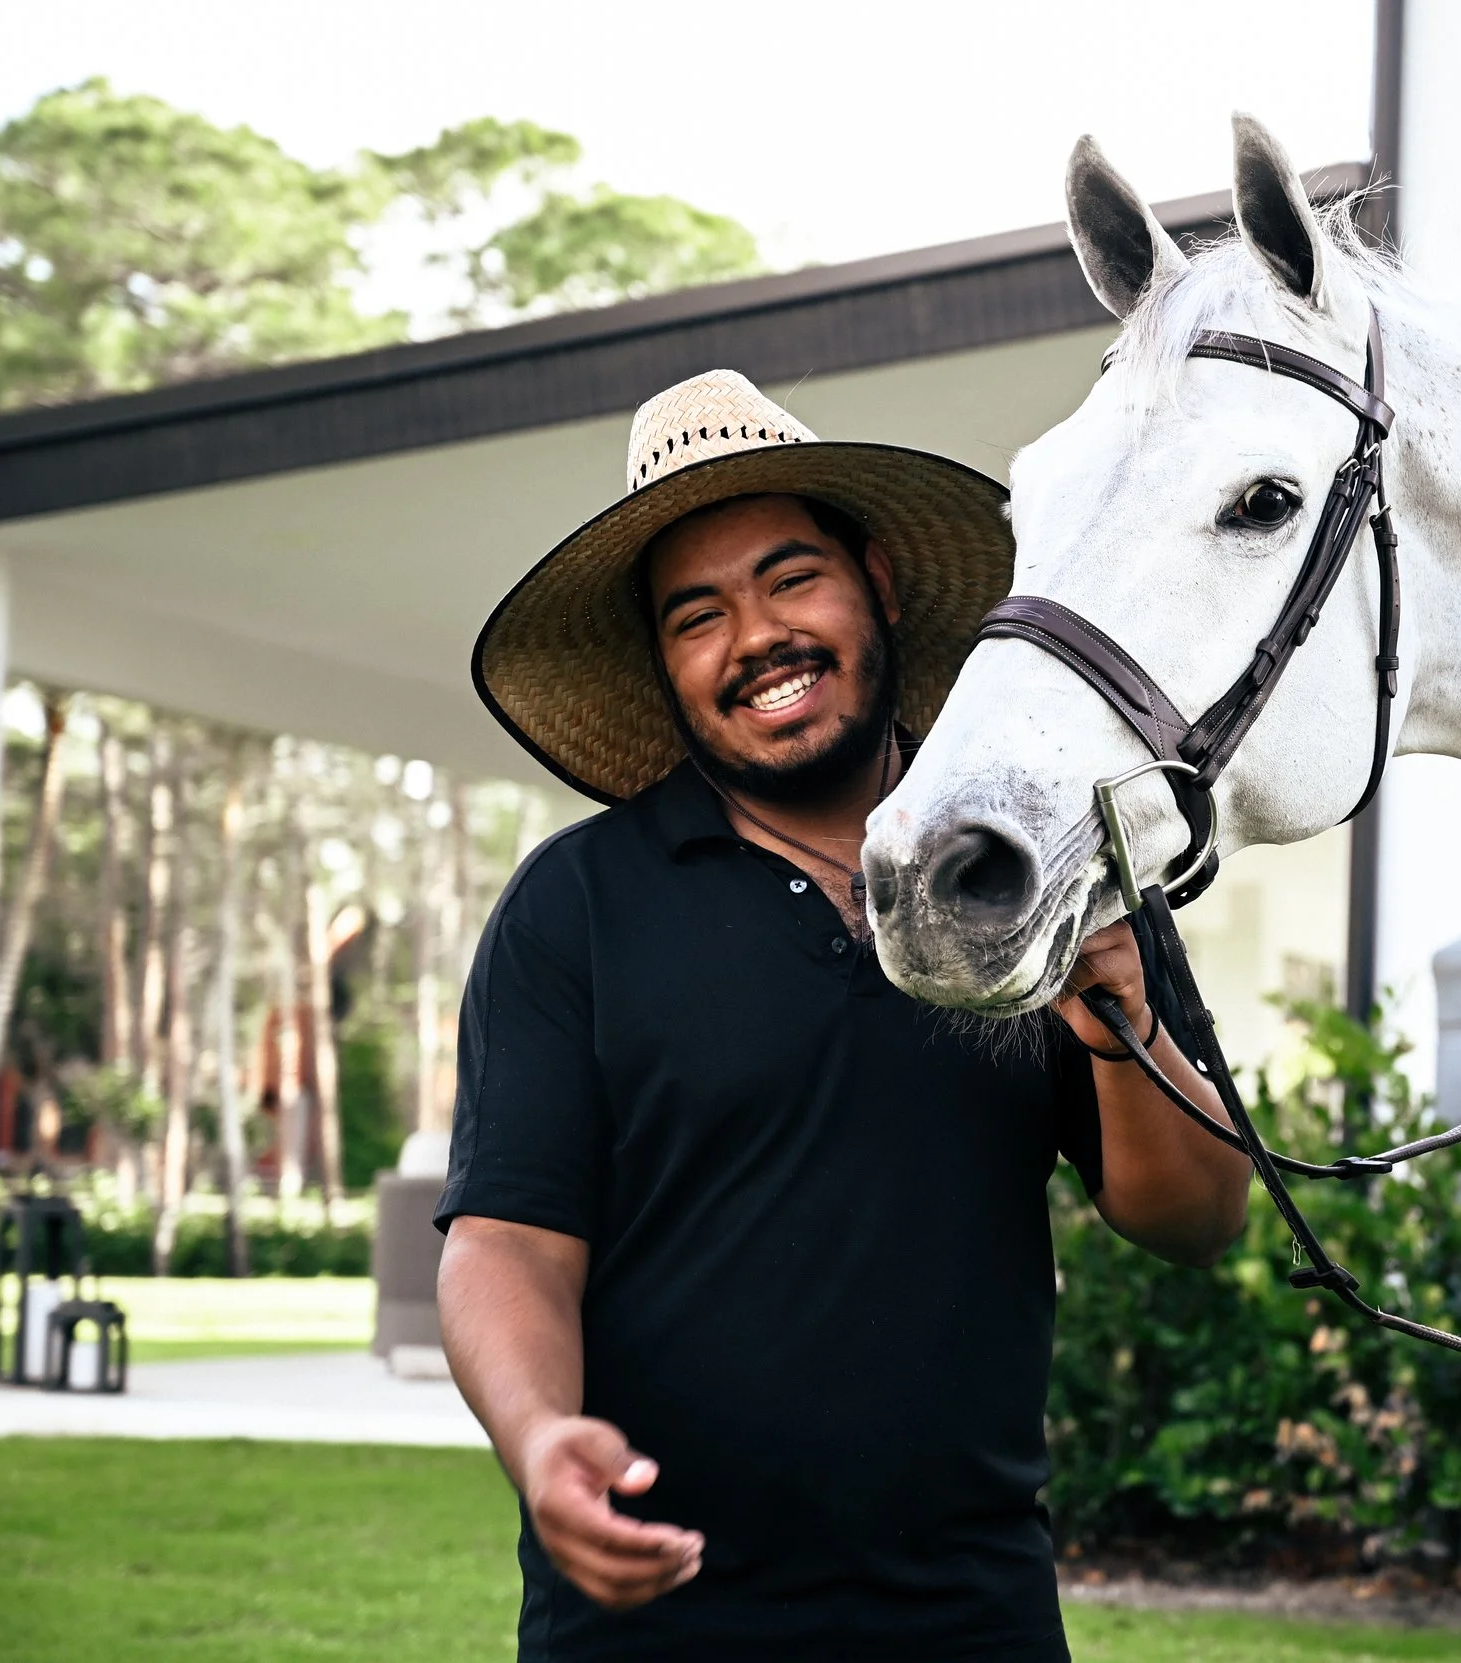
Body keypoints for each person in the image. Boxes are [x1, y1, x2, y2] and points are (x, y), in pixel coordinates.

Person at [443, 369, 1250, 1662]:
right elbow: (508, 1243)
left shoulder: (1036, 853)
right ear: (665, 662)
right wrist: (539, 1437)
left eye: (788, 578)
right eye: (696, 613)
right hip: (653, 1626)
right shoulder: (575, 907)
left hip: (967, 1620)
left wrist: (1116, 1018)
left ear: (876, 576)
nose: (755, 635)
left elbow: (1199, 1217)